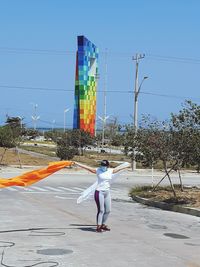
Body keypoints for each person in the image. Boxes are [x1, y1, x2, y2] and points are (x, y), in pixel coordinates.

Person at [74, 160, 130, 233]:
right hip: (99, 192)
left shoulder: (110, 171)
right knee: (101, 210)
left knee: (108, 210)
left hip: (107, 192)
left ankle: (103, 225)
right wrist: (77, 163)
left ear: (107, 166)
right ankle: (98, 226)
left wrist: (126, 166)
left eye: (105, 166)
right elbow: (87, 168)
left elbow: (119, 169)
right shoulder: (98, 170)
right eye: (102, 166)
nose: (103, 167)